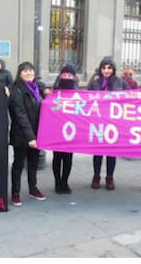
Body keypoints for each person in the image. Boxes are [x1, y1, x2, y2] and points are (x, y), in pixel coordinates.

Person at [7, 61, 47, 206]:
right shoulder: (16, 91)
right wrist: (30, 137)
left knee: (33, 163)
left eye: (31, 70)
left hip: (36, 134)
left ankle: (33, 188)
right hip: (21, 135)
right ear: (20, 74)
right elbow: (20, 116)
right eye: (25, 71)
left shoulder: (37, 89)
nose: (29, 73)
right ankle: (15, 193)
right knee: (18, 164)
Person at [88, 56, 127, 189]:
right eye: (104, 68)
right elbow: (86, 100)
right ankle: (96, 176)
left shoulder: (121, 83)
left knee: (111, 153)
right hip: (98, 123)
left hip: (114, 123)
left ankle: (110, 177)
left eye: (109, 68)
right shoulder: (95, 83)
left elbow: (131, 99)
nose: (106, 70)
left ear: (113, 69)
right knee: (97, 153)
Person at [50, 63, 80, 194]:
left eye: (70, 75)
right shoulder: (54, 91)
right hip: (57, 130)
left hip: (71, 130)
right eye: (65, 74)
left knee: (68, 158)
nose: (67, 77)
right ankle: (57, 183)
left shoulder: (77, 93)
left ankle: (65, 182)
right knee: (57, 158)